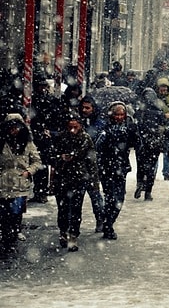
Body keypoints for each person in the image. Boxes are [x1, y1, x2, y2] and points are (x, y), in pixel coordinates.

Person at [52, 113, 98, 251]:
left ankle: (73, 235)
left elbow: (92, 161)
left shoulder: (85, 139)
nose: (72, 130)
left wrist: (94, 180)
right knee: (63, 207)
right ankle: (63, 232)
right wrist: (60, 158)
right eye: (70, 127)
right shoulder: (61, 138)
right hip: (62, 177)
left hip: (79, 178)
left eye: (75, 127)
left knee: (76, 208)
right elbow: (51, 155)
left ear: (80, 126)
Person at [94, 102, 141, 240]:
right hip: (106, 167)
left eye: (122, 114)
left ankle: (108, 220)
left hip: (121, 167)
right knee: (110, 197)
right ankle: (108, 225)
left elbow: (137, 144)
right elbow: (98, 146)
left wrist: (134, 131)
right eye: (117, 114)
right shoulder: (104, 128)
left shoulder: (128, 127)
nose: (119, 117)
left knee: (119, 198)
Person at [0, 113, 43, 253]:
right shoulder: (2, 142)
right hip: (3, 184)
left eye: (16, 127)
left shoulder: (27, 143)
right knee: (4, 214)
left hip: (20, 184)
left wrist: (28, 172)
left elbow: (37, 162)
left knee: (15, 213)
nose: (14, 130)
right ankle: (7, 239)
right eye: (11, 128)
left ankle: (13, 235)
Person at [29, 75, 61, 203]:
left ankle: (41, 191)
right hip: (38, 133)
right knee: (39, 165)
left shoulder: (45, 100)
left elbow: (52, 116)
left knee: (42, 164)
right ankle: (40, 191)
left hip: (43, 134)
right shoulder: (35, 100)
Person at [78, 96, 106, 232]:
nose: (85, 110)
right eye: (83, 107)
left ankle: (100, 219)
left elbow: (99, 142)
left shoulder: (99, 124)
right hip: (77, 166)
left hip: (93, 166)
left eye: (87, 108)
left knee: (95, 195)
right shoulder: (77, 121)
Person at [133, 88, 166, 201]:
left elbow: (135, 125)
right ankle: (148, 192)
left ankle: (140, 183)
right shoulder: (159, 111)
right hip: (154, 143)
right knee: (151, 167)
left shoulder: (140, 111)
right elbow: (163, 127)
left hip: (141, 142)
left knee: (140, 166)